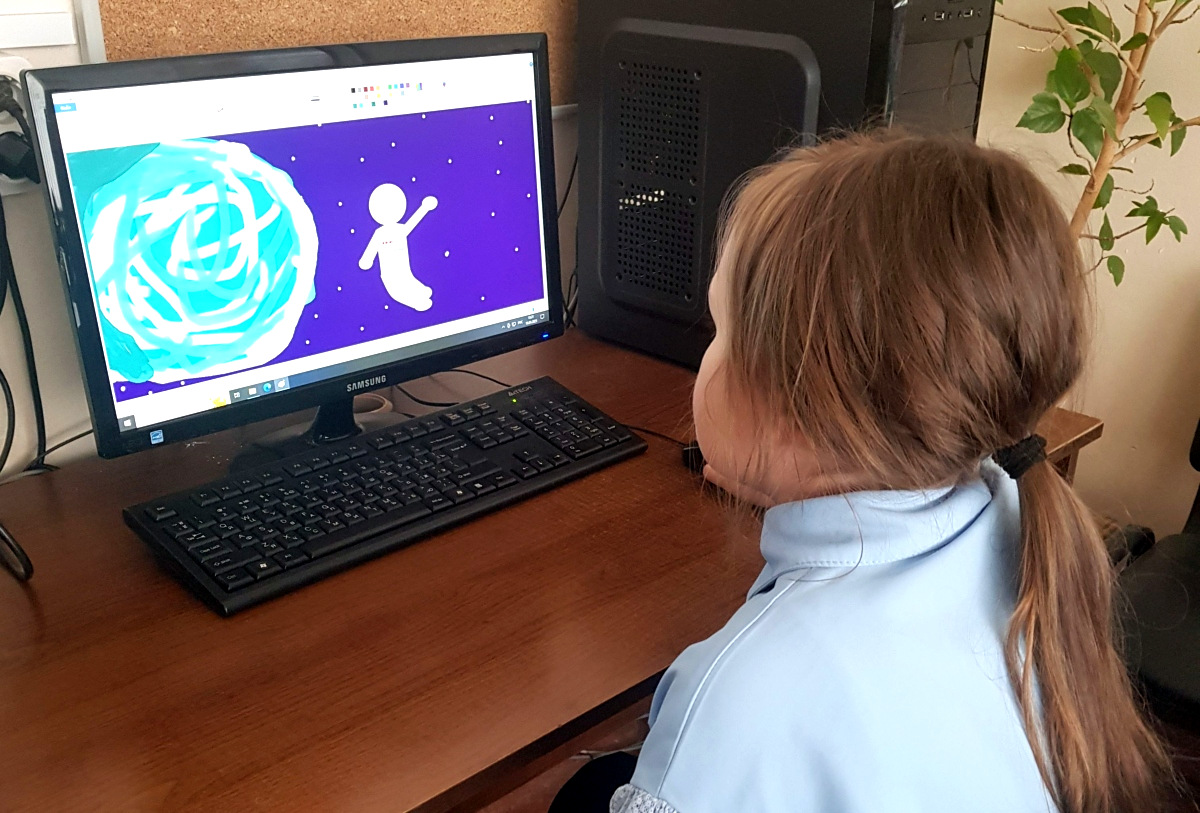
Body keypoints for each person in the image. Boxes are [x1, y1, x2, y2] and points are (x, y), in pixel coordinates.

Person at [601, 132, 1172, 812]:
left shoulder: (737, 703)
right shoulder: (1016, 512)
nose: (707, 354)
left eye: (718, 327)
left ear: (795, 404)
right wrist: (789, 477)